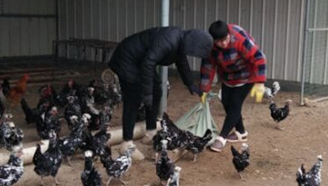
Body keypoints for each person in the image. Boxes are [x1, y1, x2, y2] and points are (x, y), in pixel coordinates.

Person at [108, 26, 213, 161]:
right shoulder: (169, 40)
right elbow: (148, 63)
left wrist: (190, 84)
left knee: (157, 90)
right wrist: (147, 93)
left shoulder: (180, 41)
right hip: (126, 59)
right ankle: (126, 143)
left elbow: (181, 61)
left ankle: (150, 132)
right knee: (133, 98)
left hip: (142, 61)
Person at [197, 20, 267, 152]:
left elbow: (259, 58)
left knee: (235, 103)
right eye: (219, 41)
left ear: (229, 34)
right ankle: (241, 132)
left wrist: (259, 82)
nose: (223, 43)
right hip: (228, 76)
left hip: (247, 74)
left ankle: (222, 137)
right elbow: (208, 67)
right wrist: (204, 89)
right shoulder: (210, 46)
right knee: (226, 102)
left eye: (225, 39)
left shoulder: (239, 39)